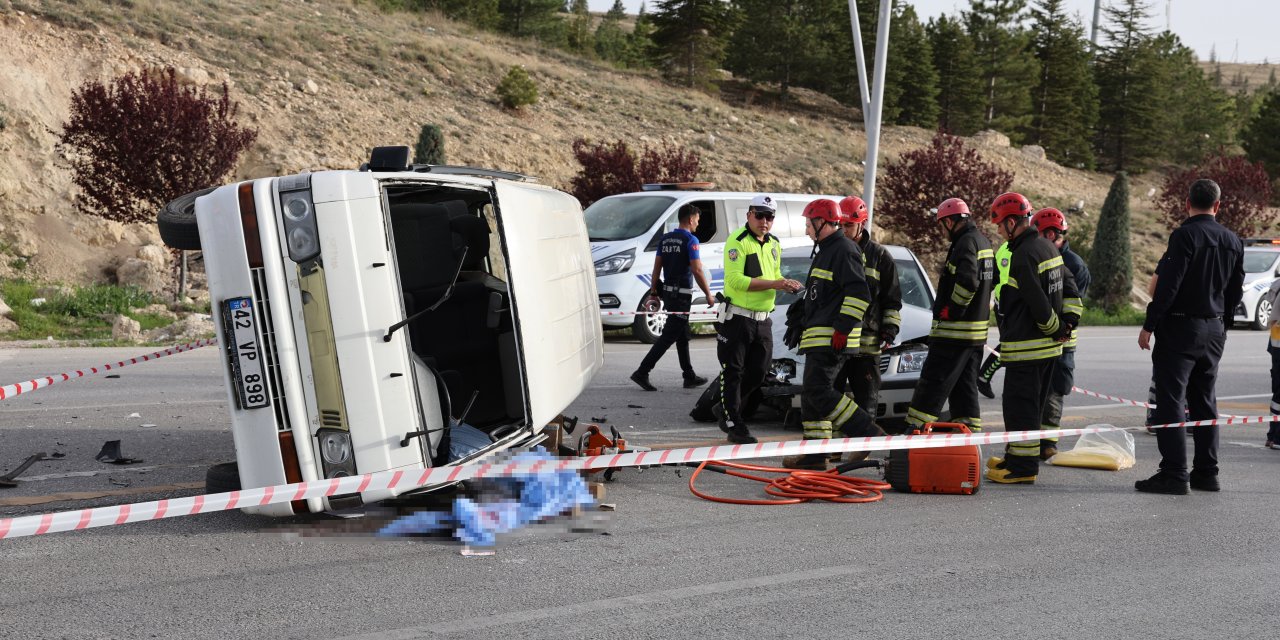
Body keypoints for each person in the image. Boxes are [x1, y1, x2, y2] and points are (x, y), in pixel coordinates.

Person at [1136, 179, 1245, 495]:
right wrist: (1223, 326)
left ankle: (1174, 473)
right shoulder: (1233, 241)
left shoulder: (1184, 236)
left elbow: (1168, 286)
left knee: (1170, 401)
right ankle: (1206, 473)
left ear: (1187, 204)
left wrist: (1149, 325)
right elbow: (1235, 291)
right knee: (1205, 400)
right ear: (1218, 205)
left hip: (1182, 328)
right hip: (1213, 328)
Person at [781, 198, 883, 470]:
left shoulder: (843, 249)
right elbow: (824, 297)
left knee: (819, 391)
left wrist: (842, 328)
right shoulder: (827, 250)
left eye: (808, 224)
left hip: (832, 339)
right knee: (812, 397)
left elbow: (860, 295)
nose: (806, 230)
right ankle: (815, 456)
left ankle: (869, 434)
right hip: (819, 338)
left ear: (822, 222)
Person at [985, 192, 1076, 484]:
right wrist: (1067, 325)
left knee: (1020, 407)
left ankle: (1022, 469)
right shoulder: (1048, 248)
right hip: (1047, 350)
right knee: (1032, 406)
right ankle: (1016, 457)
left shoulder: (1023, 255)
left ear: (1012, 222)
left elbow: (1037, 302)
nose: (999, 231)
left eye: (1000, 225)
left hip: (1028, 348)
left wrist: (1053, 327)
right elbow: (1071, 288)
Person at [713, 195, 804, 444]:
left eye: (769, 217)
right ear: (749, 215)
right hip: (738, 318)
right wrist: (776, 283)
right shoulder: (738, 242)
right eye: (759, 215)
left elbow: (774, 274)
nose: (764, 221)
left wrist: (785, 283)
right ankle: (734, 422)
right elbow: (735, 281)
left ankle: (727, 409)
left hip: (763, 319)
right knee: (733, 371)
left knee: (759, 371)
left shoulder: (774, 243)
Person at [901, 198, 994, 435]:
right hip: (974, 336)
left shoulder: (964, 243)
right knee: (965, 389)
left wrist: (952, 310)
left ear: (951, 222)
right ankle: (968, 434)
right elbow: (993, 281)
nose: (941, 230)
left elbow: (968, 282)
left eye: (942, 224)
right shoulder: (983, 241)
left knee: (933, 382)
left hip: (954, 333)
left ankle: (915, 429)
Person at [835, 196, 902, 433]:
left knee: (867, 400)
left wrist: (889, 329)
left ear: (861, 225)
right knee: (833, 398)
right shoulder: (834, 252)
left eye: (848, 226)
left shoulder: (881, 257)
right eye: (839, 225)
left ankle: (861, 447)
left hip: (867, 344)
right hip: (838, 340)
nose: (843, 231)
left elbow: (892, 299)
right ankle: (833, 449)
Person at [630, 204, 714, 392]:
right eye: (697, 221)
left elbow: (657, 267)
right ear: (691, 219)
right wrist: (708, 294)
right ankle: (642, 371)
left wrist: (653, 292)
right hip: (682, 295)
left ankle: (689, 375)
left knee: (682, 335)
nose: (698, 225)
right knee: (668, 336)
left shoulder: (665, 239)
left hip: (668, 293)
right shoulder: (690, 240)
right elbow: (697, 269)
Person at [1029, 207, 1089, 460]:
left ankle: (1048, 442)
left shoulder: (1075, 265)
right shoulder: (1037, 256)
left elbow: (1074, 305)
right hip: (1037, 337)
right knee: (1033, 391)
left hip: (1063, 342)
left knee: (1054, 392)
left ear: (1052, 234)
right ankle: (1029, 440)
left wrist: (1060, 329)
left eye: (1039, 234)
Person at [976, 240, 1013, 399]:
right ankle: (984, 376)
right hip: (1008, 305)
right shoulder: (1012, 248)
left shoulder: (1009, 246)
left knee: (1010, 344)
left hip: (1006, 303)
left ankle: (984, 376)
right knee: (1010, 345)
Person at [1265, 277, 1280, 449]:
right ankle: (1277, 437)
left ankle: (1273, 435)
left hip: (1275, 343)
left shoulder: (1277, 284)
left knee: (1277, 393)